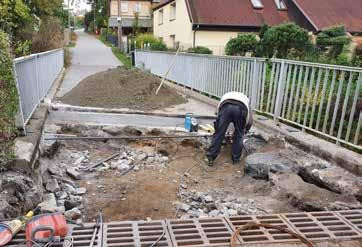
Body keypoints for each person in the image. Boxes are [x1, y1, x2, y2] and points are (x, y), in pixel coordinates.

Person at [206, 92, 253, 166]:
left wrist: (218, 128)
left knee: (219, 133)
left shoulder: (226, 95)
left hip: (226, 106)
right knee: (239, 135)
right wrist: (244, 130)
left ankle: (210, 158)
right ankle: (235, 159)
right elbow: (249, 121)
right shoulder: (246, 101)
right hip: (241, 109)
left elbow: (217, 113)